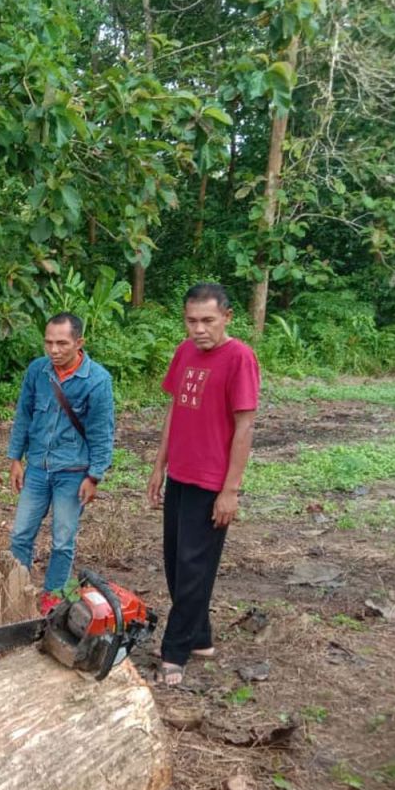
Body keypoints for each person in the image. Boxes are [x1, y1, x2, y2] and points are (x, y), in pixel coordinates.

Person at [147, 284, 259, 687]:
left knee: (195, 568)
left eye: (208, 320)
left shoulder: (239, 358)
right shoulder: (185, 352)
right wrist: (160, 465)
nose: (199, 329)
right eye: (192, 320)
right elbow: (175, 409)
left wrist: (230, 489)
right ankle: (201, 638)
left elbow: (245, 426)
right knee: (177, 564)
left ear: (227, 317)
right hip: (180, 473)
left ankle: (174, 653)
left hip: (211, 481)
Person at [6, 313, 115, 614]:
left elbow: (101, 431)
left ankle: (52, 600)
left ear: (79, 343)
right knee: (20, 534)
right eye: (49, 342)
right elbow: (24, 415)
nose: (53, 350)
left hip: (72, 471)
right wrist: (16, 458)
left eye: (62, 343)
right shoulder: (38, 372)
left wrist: (94, 476)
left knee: (63, 540)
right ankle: (19, 592)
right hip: (38, 468)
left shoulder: (97, 381)